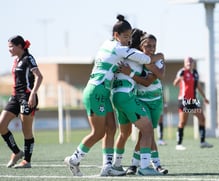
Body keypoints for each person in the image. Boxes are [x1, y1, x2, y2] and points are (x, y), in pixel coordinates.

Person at [64, 15, 158, 177]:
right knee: (98, 132)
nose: (128, 40)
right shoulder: (119, 49)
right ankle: (74, 159)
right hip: (96, 91)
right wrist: (160, 56)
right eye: (125, 36)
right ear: (116, 35)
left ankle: (108, 166)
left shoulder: (108, 43)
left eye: (129, 37)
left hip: (104, 93)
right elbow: (146, 58)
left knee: (111, 129)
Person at [111, 29, 164, 176]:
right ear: (140, 45)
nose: (151, 48)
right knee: (147, 131)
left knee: (127, 133)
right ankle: (146, 166)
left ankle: (117, 165)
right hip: (134, 99)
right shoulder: (138, 58)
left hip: (148, 100)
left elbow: (158, 75)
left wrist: (158, 57)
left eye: (153, 46)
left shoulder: (126, 54)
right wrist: (154, 60)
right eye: (147, 45)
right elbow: (149, 79)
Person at [0, 35, 43, 168]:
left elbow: (39, 77)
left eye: (11, 46)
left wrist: (33, 95)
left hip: (27, 97)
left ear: (19, 46)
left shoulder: (28, 59)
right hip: (15, 97)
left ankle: (27, 161)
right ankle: (17, 152)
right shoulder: (16, 60)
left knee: (27, 130)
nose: (9, 50)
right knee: (1, 125)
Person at [173, 57, 213, 150]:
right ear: (184, 63)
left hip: (194, 100)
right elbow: (174, 83)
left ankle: (202, 142)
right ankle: (178, 144)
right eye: (187, 62)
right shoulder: (182, 72)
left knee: (202, 118)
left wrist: (204, 97)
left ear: (193, 63)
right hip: (184, 100)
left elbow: (198, 86)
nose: (189, 63)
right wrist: (179, 79)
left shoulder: (195, 73)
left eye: (191, 61)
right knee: (183, 122)